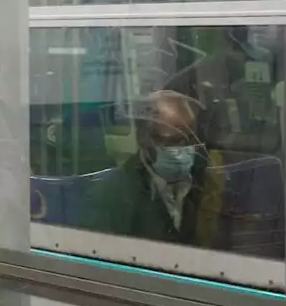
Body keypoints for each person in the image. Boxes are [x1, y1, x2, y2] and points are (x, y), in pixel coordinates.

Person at [84, 89, 222, 246]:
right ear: (144, 138)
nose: (184, 150)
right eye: (172, 141)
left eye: (189, 140)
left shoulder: (204, 179)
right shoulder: (112, 195)